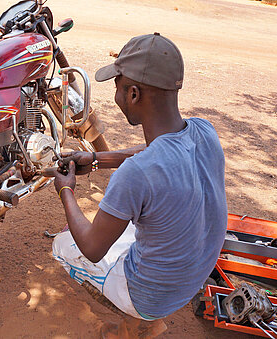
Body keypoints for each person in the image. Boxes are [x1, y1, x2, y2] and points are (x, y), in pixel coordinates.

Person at [45, 33, 228, 337]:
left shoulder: (136, 174)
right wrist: (95, 159)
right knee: (137, 222)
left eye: (117, 88)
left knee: (65, 244)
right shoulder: (204, 131)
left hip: (149, 296)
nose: (116, 97)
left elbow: (91, 248)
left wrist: (66, 191)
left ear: (132, 94)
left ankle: (133, 320)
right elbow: (154, 152)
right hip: (194, 275)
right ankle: (147, 307)